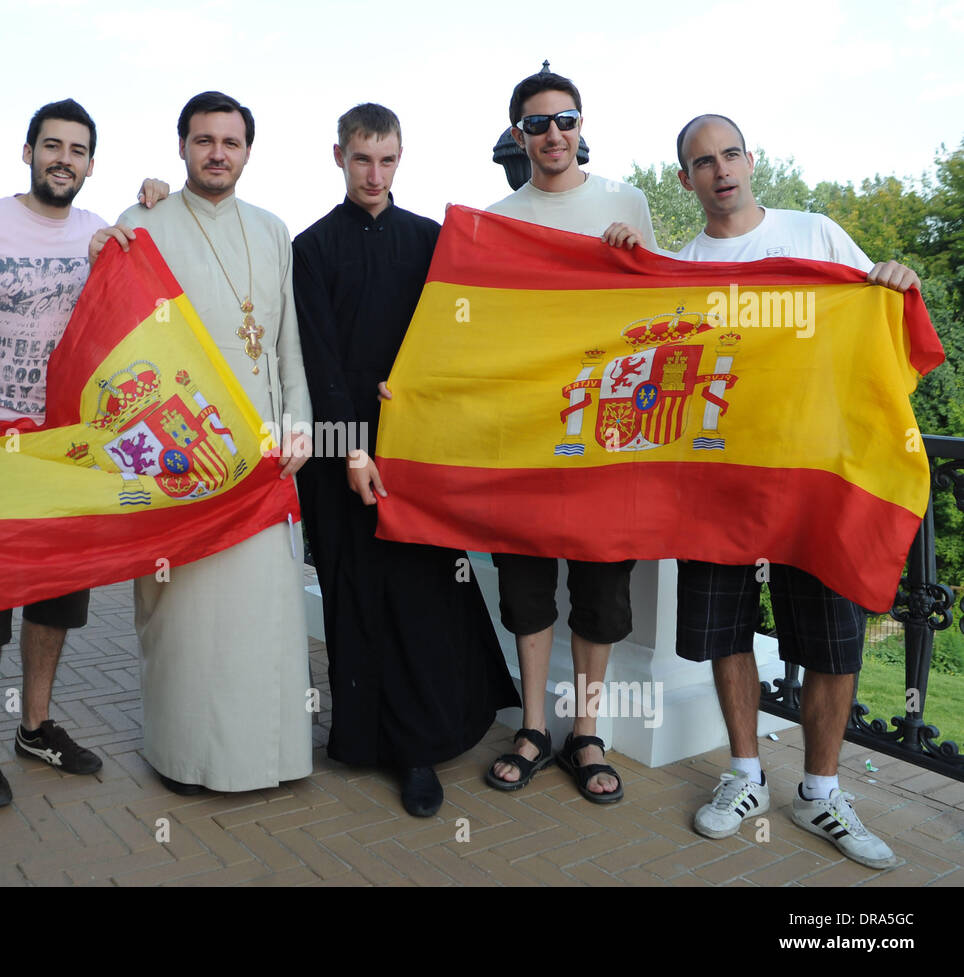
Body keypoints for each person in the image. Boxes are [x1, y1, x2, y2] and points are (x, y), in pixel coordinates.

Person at [672, 114, 919, 869]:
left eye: (730, 154)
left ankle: (820, 791)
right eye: (703, 162)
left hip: (817, 478)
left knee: (834, 643)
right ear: (686, 180)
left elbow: (880, 323)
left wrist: (898, 285)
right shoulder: (679, 266)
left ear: (751, 159)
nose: (721, 170)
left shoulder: (815, 234)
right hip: (718, 482)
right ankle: (745, 775)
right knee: (724, 632)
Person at [0, 98, 168, 807]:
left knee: (57, 597)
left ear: (91, 163)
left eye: (76, 149)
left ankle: (34, 725)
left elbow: (142, 282)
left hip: (66, 448)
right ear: (28, 151)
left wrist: (156, 204)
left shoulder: (101, 230)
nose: (62, 158)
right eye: (51, 145)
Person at [293, 103, 519, 817]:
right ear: (339, 157)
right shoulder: (311, 246)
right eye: (362, 159)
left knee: (423, 599)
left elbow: (467, 333)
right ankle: (362, 739)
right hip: (340, 456)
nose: (374, 173)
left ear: (401, 158)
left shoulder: (431, 240)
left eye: (387, 160)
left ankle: (419, 748)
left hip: (419, 454)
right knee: (354, 597)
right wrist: (353, 446)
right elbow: (317, 359)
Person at [89, 91, 314, 794]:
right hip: (180, 460)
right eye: (204, 139)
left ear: (249, 150)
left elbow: (287, 343)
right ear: (181, 145)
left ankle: (267, 758)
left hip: (263, 459)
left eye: (231, 141)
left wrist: (299, 419)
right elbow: (115, 344)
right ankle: (185, 756)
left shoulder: (274, 230)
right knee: (183, 619)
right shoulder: (143, 221)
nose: (218, 152)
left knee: (262, 614)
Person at [480, 68, 656, 803]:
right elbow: (478, 328)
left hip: (609, 432)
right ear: (519, 134)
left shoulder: (626, 203)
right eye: (538, 123)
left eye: (566, 119)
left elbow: (663, 308)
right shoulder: (495, 217)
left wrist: (633, 255)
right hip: (523, 432)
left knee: (602, 587)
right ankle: (533, 726)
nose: (553, 134)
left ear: (582, 125)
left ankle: (586, 730)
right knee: (524, 585)